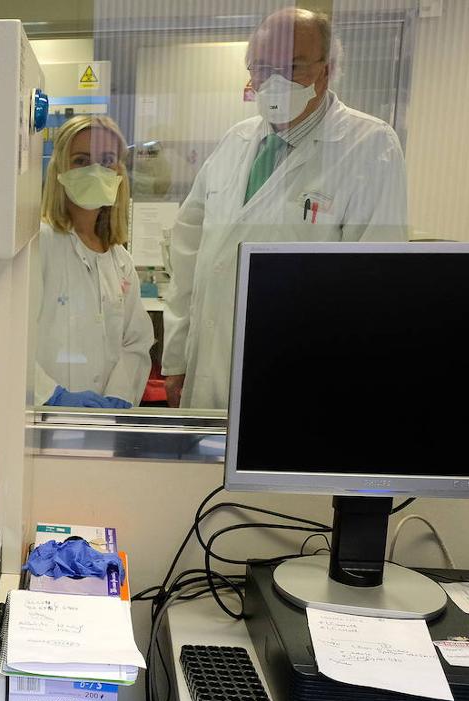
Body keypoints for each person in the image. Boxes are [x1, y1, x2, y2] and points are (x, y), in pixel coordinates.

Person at [162, 7, 408, 410]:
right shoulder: (235, 142)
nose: (273, 81)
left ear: (325, 71)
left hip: (300, 382)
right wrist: (176, 359)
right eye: (261, 67)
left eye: (293, 67)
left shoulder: (370, 147)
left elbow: (375, 287)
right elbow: (188, 256)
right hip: (207, 371)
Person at [34, 114, 155, 409]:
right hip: (41, 418)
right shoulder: (40, 244)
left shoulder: (120, 260)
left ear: (119, 172)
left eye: (107, 160)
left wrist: (119, 396)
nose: (95, 170)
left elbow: (135, 342)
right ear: (59, 170)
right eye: (80, 160)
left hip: (103, 422)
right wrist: (50, 395)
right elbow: (11, 338)